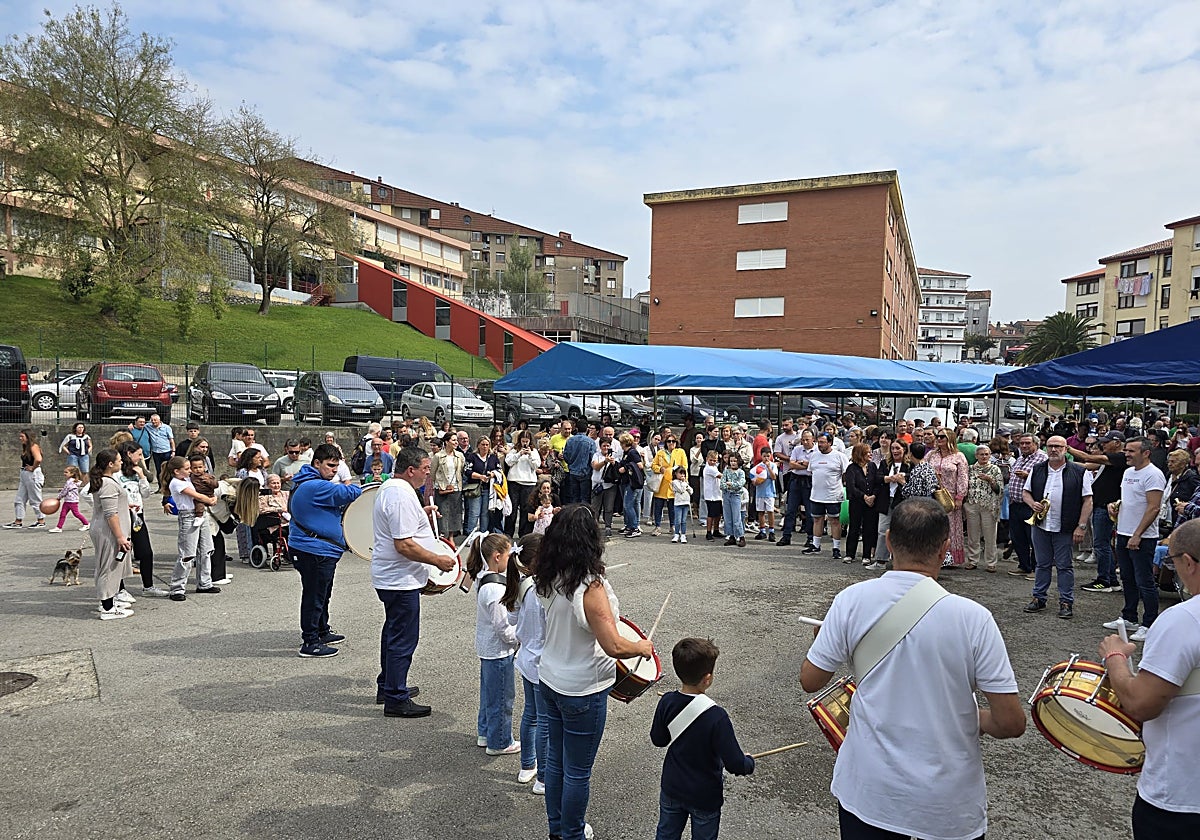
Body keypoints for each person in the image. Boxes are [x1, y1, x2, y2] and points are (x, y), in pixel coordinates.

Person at [800, 497, 1026, 840]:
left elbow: (810, 679)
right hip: (947, 808)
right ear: (945, 547)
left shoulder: (851, 599)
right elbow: (1010, 722)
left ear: (889, 541)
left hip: (870, 795)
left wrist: (825, 639)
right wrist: (969, 716)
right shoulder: (974, 618)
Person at [536, 505, 655, 840]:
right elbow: (615, 645)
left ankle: (557, 830)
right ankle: (572, 833)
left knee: (557, 763)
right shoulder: (589, 587)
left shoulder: (548, 573)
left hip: (550, 678)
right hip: (582, 688)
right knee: (576, 771)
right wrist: (642, 648)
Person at [1098, 517, 1200, 838]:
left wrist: (1115, 658)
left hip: (1181, 800)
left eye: (1171, 560)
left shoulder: (1183, 621)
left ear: (1188, 563)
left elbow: (1141, 704)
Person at [372, 446, 460, 717]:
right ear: (411, 470)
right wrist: (438, 561)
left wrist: (422, 512)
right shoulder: (399, 495)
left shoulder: (395, 489)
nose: (427, 474)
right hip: (400, 580)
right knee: (403, 638)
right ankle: (396, 698)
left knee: (393, 633)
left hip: (395, 578)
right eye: (424, 469)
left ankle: (388, 686)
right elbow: (405, 545)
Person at [651, 637, 755, 840]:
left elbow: (659, 739)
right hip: (704, 793)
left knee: (666, 834)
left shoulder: (667, 701)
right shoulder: (717, 716)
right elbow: (734, 763)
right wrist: (748, 762)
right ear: (707, 678)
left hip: (672, 786)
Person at [288, 442, 362, 658]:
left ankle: (321, 630)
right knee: (314, 595)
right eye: (330, 466)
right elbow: (352, 492)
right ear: (316, 463)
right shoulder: (315, 486)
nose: (334, 471)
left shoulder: (310, 483)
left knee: (322, 593)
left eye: (337, 467)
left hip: (318, 550)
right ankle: (310, 642)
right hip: (314, 550)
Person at [1106, 436, 1168, 642]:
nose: (1126, 454)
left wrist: (1138, 534)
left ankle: (1149, 623)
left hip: (1142, 537)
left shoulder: (1154, 475)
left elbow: (1154, 507)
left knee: (1145, 581)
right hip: (1124, 532)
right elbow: (1130, 500)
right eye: (1126, 450)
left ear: (1146, 453)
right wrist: (1116, 505)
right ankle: (1129, 616)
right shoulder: (1127, 472)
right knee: (1128, 577)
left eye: (1131, 451)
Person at [1021, 435, 1091, 619]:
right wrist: (1032, 504)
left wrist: (1081, 526)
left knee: (1064, 566)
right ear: (1045, 448)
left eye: (1058, 446)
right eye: (1050, 446)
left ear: (1066, 449)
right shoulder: (1037, 469)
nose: (1053, 450)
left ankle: (1066, 601)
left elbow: (1088, 500)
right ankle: (1039, 598)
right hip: (1041, 525)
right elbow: (1026, 492)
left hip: (1065, 527)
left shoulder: (1079, 471)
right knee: (1041, 564)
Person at [464, 532, 520, 755]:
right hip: (498, 651)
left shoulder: (483, 577)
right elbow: (504, 629)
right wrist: (521, 637)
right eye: (508, 555)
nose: (510, 559)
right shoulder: (495, 589)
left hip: (489, 649)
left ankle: (486, 732)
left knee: (490, 694)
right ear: (497, 556)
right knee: (503, 698)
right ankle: (500, 742)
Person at [501, 533, 548, 793]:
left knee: (530, 714)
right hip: (542, 664)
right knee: (545, 721)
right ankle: (542, 777)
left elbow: (511, 619)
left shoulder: (523, 584)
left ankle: (526, 765)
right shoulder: (544, 590)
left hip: (526, 659)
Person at [87, 449, 137, 620]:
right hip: (109, 531)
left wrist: (126, 506)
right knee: (108, 567)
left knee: (110, 566)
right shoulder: (107, 483)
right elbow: (110, 514)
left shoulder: (106, 481)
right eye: (118, 460)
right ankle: (107, 608)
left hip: (109, 530)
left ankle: (108, 601)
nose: (121, 462)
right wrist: (120, 537)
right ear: (110, 464)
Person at [162, 456, 219, 602]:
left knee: (206, 549)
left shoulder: (188, 478)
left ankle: (205, 583)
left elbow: (205, 486)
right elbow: (196, 495)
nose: (190, 471)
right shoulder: (176, 483)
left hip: (202, 513)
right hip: (188, 516)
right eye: (187, 469)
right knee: (187, 554)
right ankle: (177, 588)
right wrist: (210, 500)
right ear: (176, 471)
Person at [114, 440, 167, 597]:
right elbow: (93, 493)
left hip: (138, 516)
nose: (141, 457)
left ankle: (148, 586)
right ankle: (119, 588)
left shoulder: (137, 472)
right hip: (121, 516)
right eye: (138, 454)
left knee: (146, 552)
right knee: (121, 552)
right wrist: (119, 507)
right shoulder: (116, 473)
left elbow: (145, 494)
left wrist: (142, 477)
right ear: (129, 454)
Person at [1007, 433, 1049, 576]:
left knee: (1034, 539)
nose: (1024, 446)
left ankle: (1036, 569)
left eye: (1027, 443)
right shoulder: (1019, 458)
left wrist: (1027, 476)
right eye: (1021, 444)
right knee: (1018, 538)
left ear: (1035, 444)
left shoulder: (1042, 458)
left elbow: (1046, 479)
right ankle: (1024, 566)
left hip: (1031, 505)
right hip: (1015, 503)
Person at [803, 433, 850, 559]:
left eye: (823, 442)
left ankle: (836, 548)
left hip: (833, 495)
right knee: (817, 519)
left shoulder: (839, 456)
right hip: (816, 495)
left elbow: (846, 474)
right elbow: (811, 471)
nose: (820, 445)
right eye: (819, 442)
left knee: (834, 521)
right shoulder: (814, 456)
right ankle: (816, 545)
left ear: (830, 443)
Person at [928, 428, 969, 567]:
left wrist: (960, 497)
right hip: (933, 494)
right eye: (937, 437)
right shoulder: (932, 455)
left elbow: (963, 477)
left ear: (949, 439)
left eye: (942, 437)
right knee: (934, 526)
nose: (939, 439)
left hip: (950, 495)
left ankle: (951, 557)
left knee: (951, 526)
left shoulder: (958, 456)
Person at [963, 444, 1003, 572]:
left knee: (990, 535)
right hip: (972, 504)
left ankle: (991, 563)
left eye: (986, 454)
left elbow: (999, 489)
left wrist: (990, 480)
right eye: (981, 454)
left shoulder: (995, 469)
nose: (984, 456)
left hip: (989, 505)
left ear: (990, 455)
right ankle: (972, 560)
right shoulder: (970, 469)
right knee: (972, 535)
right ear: (976, 456)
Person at [844, 443, 878, 566]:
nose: (870, 454)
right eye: (867, 452)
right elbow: (851, 487)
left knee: (869, 529)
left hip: (871, 503)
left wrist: (873, 496)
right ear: (860, 454)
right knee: (854, 527)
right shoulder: (851, 468)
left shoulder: (873, 466)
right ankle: (850, 554)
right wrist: (864, 497)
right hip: (857, 502)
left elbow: (877, 483)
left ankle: (866, 555)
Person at [7, 429, 46, 529]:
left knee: (35, 498)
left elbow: (38, 459)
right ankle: (18, 521)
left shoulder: (34, 446)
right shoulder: (26, 447)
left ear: (28, 437)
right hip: (24, 473)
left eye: (22, 437)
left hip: (33, 474)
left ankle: (41, 520)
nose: (20, 439)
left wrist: (33, 467)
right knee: (19, 499)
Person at [506, 429, 541, 537]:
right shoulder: (514, 450)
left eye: (527, 441)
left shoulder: (534, 451)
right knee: (512, 509)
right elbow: (508, 462)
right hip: (514, 481)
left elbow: (536, 466)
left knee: (526, 509)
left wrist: (530, 455)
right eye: (523, 441)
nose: (525, 443)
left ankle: (524, 534)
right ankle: (508, 533)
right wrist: (519, 454)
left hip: (528, 483)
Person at [650, 435, 687, 537]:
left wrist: (684, 481)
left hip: (675, 483)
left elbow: (684, 467)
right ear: (665, 443)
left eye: (673, 441)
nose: (671, 443)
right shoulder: (660, 453)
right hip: (662, 483)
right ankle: (657, 526)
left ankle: (673, 526)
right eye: (669, 441)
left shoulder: (680, 452)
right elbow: (653, 465)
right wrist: (660, 469)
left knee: (672, 507)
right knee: (658, 506)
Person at [431, 434, 465, 539]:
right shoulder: (438, 456)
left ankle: (451, 537)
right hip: (442, 488)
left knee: (455, 513)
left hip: (456, 488)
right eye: (453, 440)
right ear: (446, 442)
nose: (456, 442)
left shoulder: (460, 455)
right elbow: (433, 473)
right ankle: (443, 536)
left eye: (456, 440)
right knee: (443, 513)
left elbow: (461, 470)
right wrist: (440, 484)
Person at [616, 432, 645, 538]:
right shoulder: (626, 452)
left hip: (632, 483)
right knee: (627, 505)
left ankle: (635, 527)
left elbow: (640, 466)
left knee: (628, 505)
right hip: (626, 481)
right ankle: (628, 526)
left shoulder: (632, 452)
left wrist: (627, 467)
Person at [50, 465, 90, 533]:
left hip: (72, 501)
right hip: (68, 501)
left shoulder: (70, 482)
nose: (64, 474)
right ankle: (59, 527)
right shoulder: (71, 481)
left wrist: (59, 497)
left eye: (66, 472)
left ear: (72, 474)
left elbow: (65, 491)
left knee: (76, 514)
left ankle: (86, 524)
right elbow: (66, 490)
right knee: (63, 514)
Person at [750, 448, 777, 542]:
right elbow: (753, 478)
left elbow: (774, 477)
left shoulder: (773, 465)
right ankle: (762, 531)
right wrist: (755, 482)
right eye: (764, 456)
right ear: (761, 456)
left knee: (770, 511)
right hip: (760, 492)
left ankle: (772, 531)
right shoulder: (758, 467)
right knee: (760, 512)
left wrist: (769, 467)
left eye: (768, 456)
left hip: (769, 492)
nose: (766, 458)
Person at [701, 448, 723, 541]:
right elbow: (721, 476)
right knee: (711, 514)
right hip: (711, 496)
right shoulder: (709, 468)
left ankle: (716, 530)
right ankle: (708, 532)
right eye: (711, 460)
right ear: (707, 459)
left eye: (715, 460)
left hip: (717, 494)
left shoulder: (714, 467)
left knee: (718, 514)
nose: (713, 462)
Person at [146, 413, 175, 478]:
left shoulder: (167, 428)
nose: (153, 422)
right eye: (152, 420)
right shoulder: (148, 426)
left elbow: (171, 440)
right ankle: (160, 486)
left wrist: (173, 451)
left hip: (166, 452)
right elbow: (140, 425)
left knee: (167, 469)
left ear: (159, 420)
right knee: (158, 470)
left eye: (155, 420)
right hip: (156, 452)